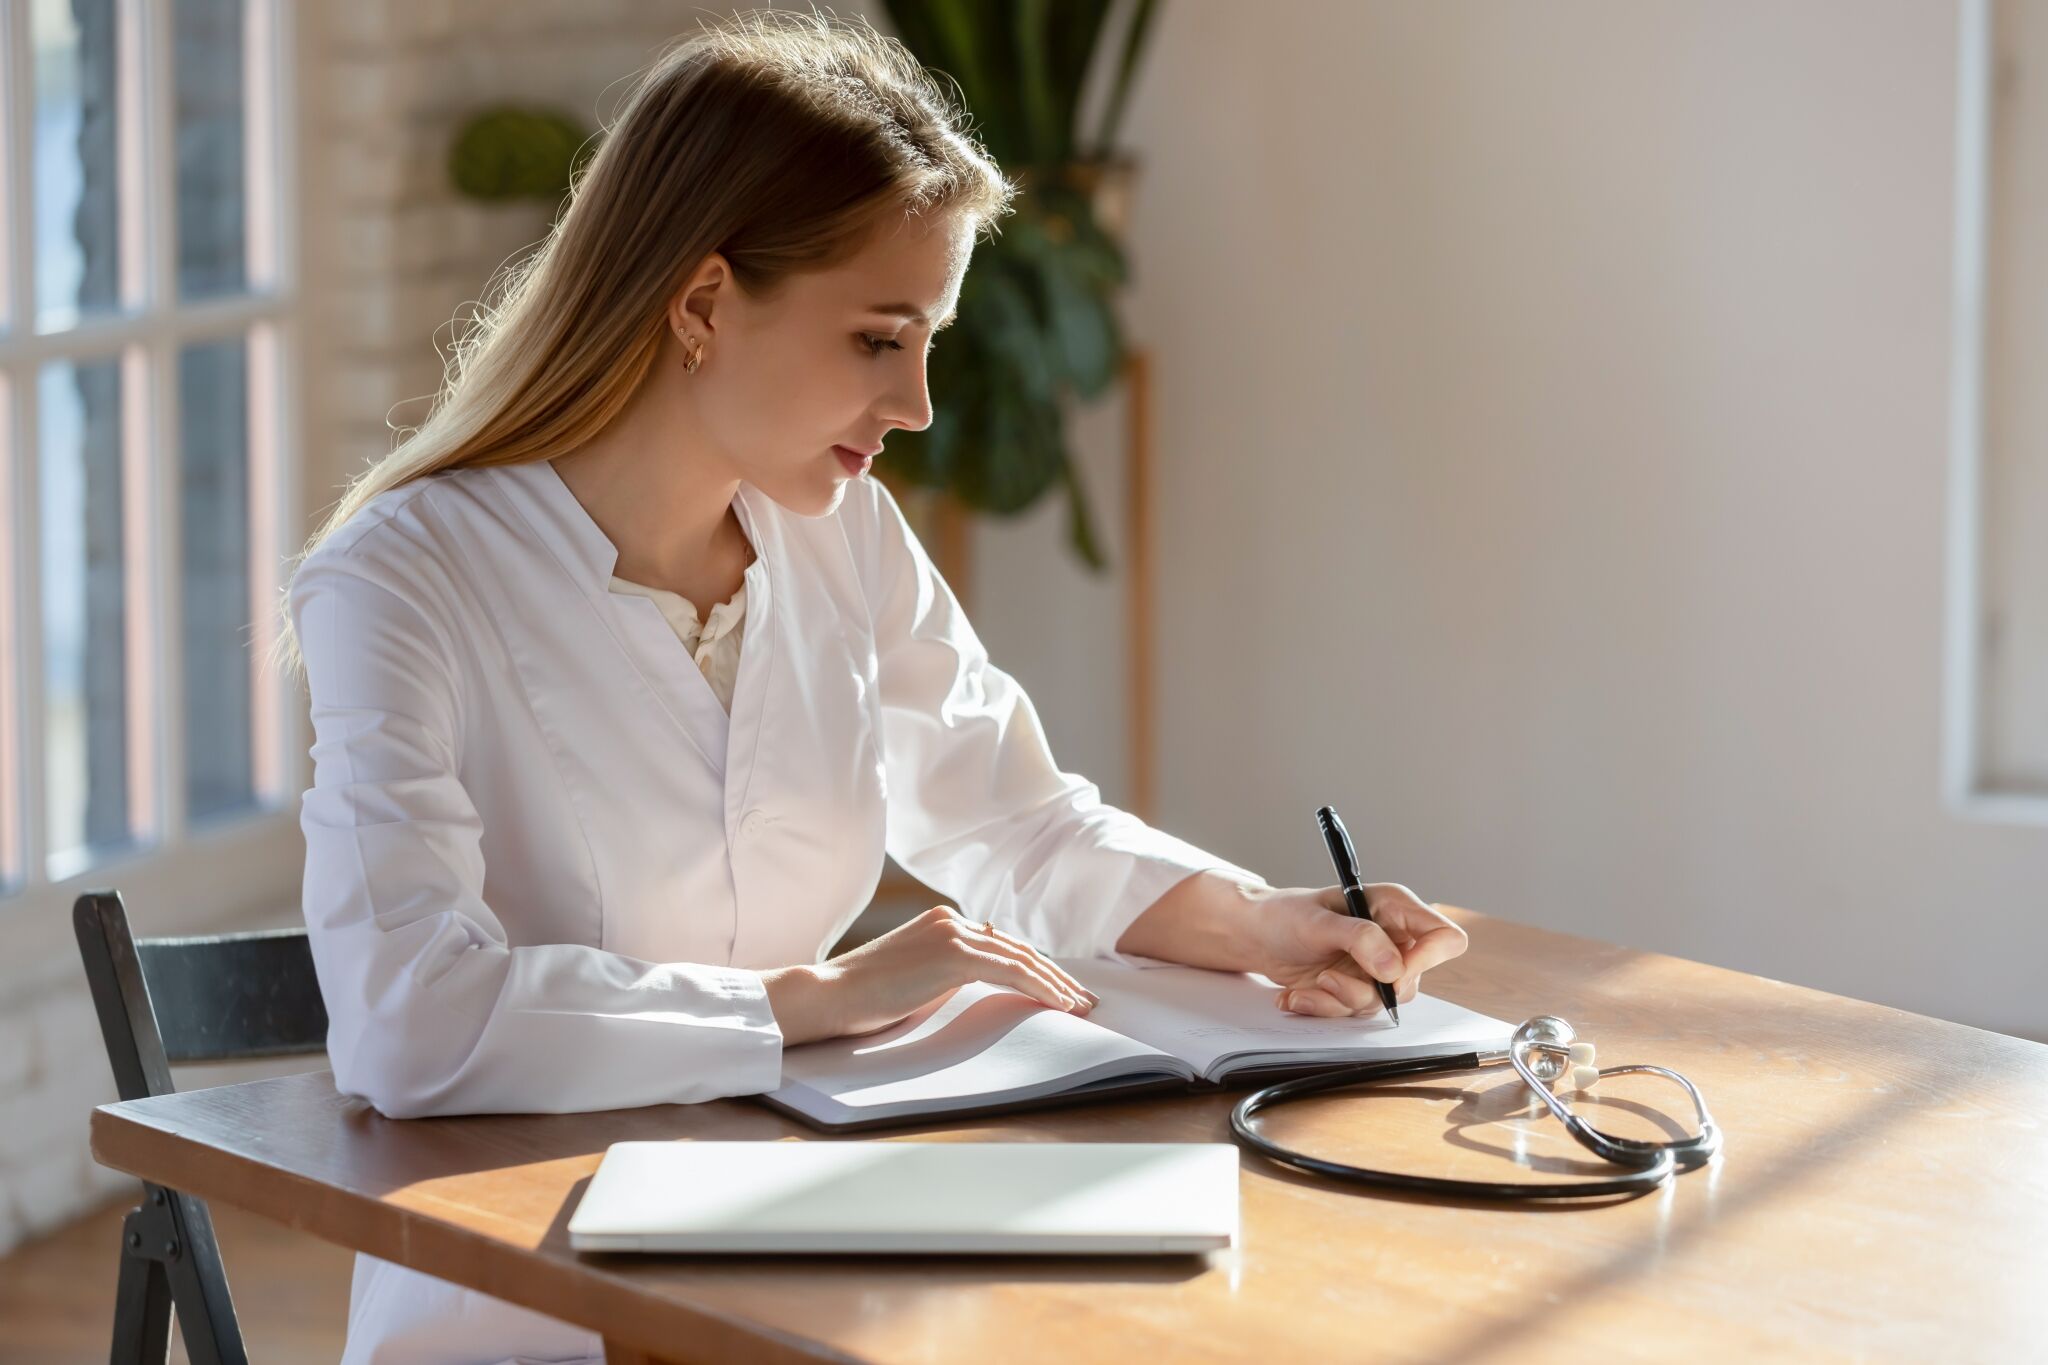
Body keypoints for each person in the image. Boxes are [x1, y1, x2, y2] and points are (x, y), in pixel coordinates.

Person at [276, 11, 1469, 1364]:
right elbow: (406, 1022)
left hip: (816, 1248)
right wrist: (808, 999)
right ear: (706, 303)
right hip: (539, 1298)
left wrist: (1262, 923)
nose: (915, 406)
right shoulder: (407, 579)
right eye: (876, 340)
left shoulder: (838, 533)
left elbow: (1018, 822)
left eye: (929, 342)